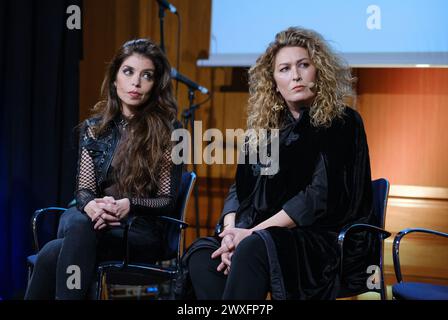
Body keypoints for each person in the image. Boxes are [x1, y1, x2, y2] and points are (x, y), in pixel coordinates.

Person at [181, 27, 376, 300]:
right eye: (284, 69)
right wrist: (229, 233)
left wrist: (249, 234)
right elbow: (240, 190)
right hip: (267, 233)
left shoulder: (342, 122)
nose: (295, 75)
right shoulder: (266, 129)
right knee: (204, 255)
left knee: (254, 248)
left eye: (303, 65)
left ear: (318, 70)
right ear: (273, 81)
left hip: (322, 239)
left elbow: (317, 197)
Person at [25, 39, 182, 299]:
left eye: (147, 76)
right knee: (78, 219)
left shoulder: (170, 132)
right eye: (128, 72)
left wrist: (127, 205)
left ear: (155, 86)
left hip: (137, 230)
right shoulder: (94, 128)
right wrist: (92, 206)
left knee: (53, 252)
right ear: (114, 79)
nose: (136, 83)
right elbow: (84, 189)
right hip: (93, 221)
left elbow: (167, 200)